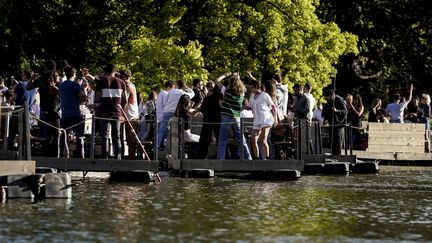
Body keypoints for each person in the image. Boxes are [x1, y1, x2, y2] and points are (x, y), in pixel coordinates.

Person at [27, 59, 61, 157]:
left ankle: (46, 156)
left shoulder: (41, 79)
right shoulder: (56, 78)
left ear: (46, 67)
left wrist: (32, 78)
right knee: (56, 134)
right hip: (54, 110)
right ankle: (54, 157)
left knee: (46, 135)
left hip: (43, 109)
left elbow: (28, 87)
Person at [214, 73, 252, 160]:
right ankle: (249, 160)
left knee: (222, 141)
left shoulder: (226, 91)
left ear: (230, 83)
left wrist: (225, 75)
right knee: (242, 141)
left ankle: (220, 162)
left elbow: (217, 81)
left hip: (226, 117)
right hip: (236, 118)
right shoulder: (242, 93)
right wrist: (237, 78)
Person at [94, 64, 127, 160]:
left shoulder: (101, 82)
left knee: (104, 135)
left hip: (104, 112)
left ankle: (105, 157)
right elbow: (125, 100)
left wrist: (96, 107)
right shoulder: (121, 83)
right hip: (116, 112)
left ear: (105, 71)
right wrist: (121, 109)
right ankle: (118, 157)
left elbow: (97, 98)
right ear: (114, 71)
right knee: (116, 135)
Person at [58, 66, 87, 158]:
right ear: (74, 74)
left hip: (65, 114)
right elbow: (83, 99)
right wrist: (85, 89)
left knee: (63, 136)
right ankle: (79, 156)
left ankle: (61, 155)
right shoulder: (75, 85)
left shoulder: (61, 85)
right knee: (79, 136)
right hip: (75, 114)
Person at [157, 80, 194, 149]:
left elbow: (166, 101)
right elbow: (192, 94)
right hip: (175, 113)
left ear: (177, 85)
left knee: (161, 131)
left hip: (166, 111)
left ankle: (157, 147)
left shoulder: (171, 91)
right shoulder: (183, 93)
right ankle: (173, 149)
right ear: (183, 86)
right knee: (175, 131)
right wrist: (187, 87)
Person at [7, 69, 38, 150]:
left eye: (23, 75)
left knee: (11, 134)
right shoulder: (34, 87)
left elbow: (14, 98)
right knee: (24, 135)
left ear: (26, 76)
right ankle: (24, 152)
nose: (21, 76)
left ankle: (9, 153)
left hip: (18, 112)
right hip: (28, 114)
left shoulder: (20, 84)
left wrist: (10, 100)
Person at [248, 79, 277, 160]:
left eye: (251, 88)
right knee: (253, 140)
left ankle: (267, 159)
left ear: (257, 87)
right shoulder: (252, 97)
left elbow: (273, 107)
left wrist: (275, 119)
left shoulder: (265, 95)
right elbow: (249, 107)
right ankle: (257, 159)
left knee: (263, 140)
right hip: (257, 120)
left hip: (266, 119)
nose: (250, 90)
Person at [197, 81, 223, 159]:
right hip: (215, 121)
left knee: (206, 140)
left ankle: (201, 156)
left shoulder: (209, 99)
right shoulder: (219, 100)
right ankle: (221, 157)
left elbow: (202, 110)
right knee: (218, 140)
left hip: (209, 121)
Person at [120, 69, 140, 159]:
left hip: (130, 116)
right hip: (131, 115)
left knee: (130, 140)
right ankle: (128, 157)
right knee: (129, 139)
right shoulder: (132, 85)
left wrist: (120, 111)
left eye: (121, 76)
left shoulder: (127, 85)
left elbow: (124, 100)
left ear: (126, 77)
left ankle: (130, 158)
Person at [322, 89, 348, 155]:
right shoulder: (329, 101)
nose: (328, 99)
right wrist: (325, 118)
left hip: (339, 124)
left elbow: (345, 111)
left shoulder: (340, 100)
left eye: (328, 97)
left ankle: (338, 155)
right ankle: (333, 155)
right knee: (332, 141)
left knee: (337, 141)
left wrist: (337, 111)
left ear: (332, 95)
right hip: (332, 123)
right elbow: (328, 111)